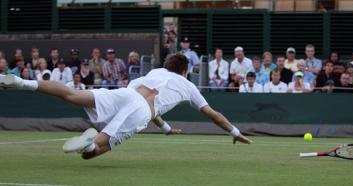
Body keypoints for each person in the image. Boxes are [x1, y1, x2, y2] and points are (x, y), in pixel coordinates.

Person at [0, 54, 251, 160]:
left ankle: (20, 81)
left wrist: (165, 129)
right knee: (92, 153)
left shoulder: (154, 71)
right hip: (140, 110)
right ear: (185, 71)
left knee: (71, 94)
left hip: (124, 94)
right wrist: (235, 133)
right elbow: (213, 114)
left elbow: (152, 104)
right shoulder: (187, 85)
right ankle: (89, 143)